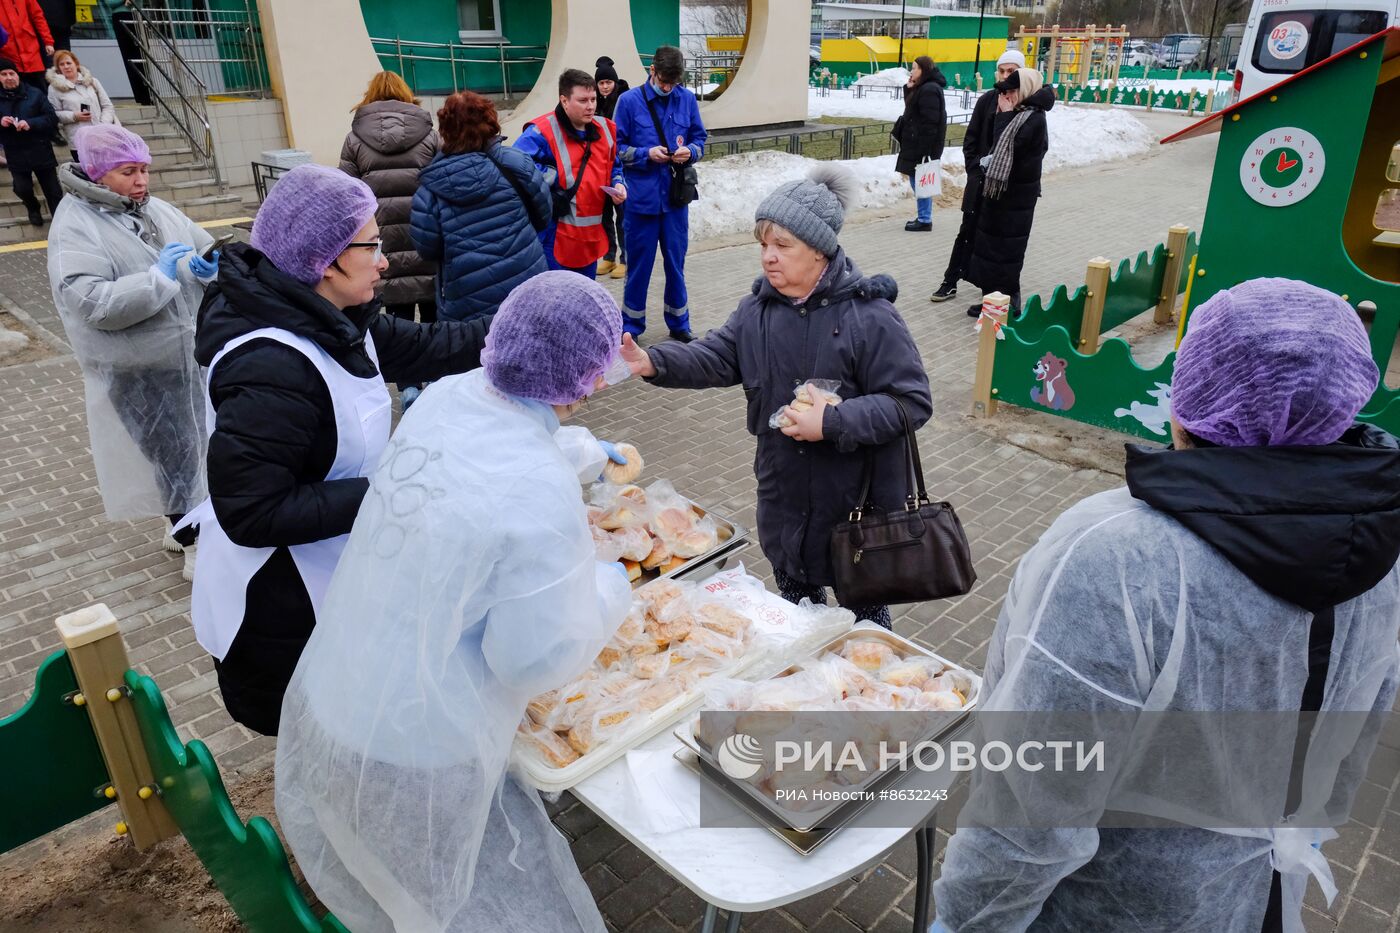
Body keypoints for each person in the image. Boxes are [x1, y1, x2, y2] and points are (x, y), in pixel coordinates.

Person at [931, 279, 1400, 933]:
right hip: (1258, 897)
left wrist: (962, 923)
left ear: (1190, 401)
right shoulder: (1384, 542)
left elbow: (1032, 806)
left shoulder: (1121, 555)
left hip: (1107, 909)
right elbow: (1354, 736)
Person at [275, 272, 633, 933]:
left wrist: (580, 453)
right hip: (417, 745)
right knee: (463, 904)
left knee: (387, 891)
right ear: (587, 381)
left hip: (339, 691)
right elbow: (531, 656)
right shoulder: (538, 492)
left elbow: (490, 452)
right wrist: (609, 587)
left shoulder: (445, 397)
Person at [186, 164, 495, 736]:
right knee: (317, 738)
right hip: (282, 607)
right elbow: (252, 511)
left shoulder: (337, 319)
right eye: (372, 246)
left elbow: (434, 346)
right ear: (323, 259)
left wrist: (529, 329)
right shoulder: (271, 366)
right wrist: (391, 489)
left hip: (337, 573)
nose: (385, 260)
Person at [619, 165, 932, 627]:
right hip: (783, 500)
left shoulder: (871, 317)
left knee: (862, 630)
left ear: (820, 252)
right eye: (764, 244)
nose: (768, 257)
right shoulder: (757, 310)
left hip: (854, 512)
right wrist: (654, 362)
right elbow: (718, 355)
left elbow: (912, 403)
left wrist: (833, 422)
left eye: (783, 245)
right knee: (796, 618)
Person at [46, 124, 214, 572]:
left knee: (194, 449)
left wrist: (206, 265)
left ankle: (185, 526)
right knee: (171, 453)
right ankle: (194, 547)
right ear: (98, 174)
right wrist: (158, 279)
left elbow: (200, 244)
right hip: (137, 365)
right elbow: (90, 301)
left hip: (185, 356)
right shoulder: (76, 225)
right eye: (128, 171)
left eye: (144, 169)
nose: (141, 180)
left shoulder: (152, 209)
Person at [411, 90, 551, 324]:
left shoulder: (430, 188)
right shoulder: (516, 163)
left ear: (445, 129)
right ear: (490, 121)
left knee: (477, 358)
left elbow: (427, 249)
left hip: (467, 300)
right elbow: (544, 213)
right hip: (527, 283)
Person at [613, 44, 707, 342]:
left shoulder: (686, 100)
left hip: (675, 201)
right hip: (641, 201)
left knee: (675, 266)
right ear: (652, 71)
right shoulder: (628, 102)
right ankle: (631, 325)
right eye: (664, 81)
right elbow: (615, 148)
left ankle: (680, 323)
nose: (668, 87)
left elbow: (700, 138)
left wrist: (689, 151)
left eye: (673, 83)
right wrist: (644, 154)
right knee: (638, 267)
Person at [339, 71, 438, 328]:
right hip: (426, 232)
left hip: (384, 238)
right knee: (434, 319)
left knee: (397, 314)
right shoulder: (430, 135)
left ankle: (404, 366)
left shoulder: (354, 139)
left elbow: (348, 195)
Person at [929, 48, 1025, 304]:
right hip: (979, 183)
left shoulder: (1026, 104)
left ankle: (1003, 295)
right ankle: (950, 280)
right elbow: (970, 140)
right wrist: (975, 167)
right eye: (1002, 71)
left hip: (1006, 191)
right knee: (966, 233)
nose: (1006, 76)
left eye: (1012, 71)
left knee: (999, 243)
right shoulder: (987, 101)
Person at [513, 68, 626, 279]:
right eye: (583, 100)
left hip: (589, 239)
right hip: (555, 237)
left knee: (583, 303)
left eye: (593, 99)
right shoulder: (542, 130)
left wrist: (618, 183)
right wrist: (553, 178)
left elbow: (615, 165)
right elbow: (516, 165)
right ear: (564, 101)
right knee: (556, 305)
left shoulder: (606, 128)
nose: (591, 106)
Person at [961, 66, 1052, 319]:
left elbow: (1015, 156)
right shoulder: (1021, 114)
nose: (1007, 96)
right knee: (991, 253)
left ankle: (1007, 306)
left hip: (1015, 203)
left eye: (1011, 91)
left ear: (1023, 90)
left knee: (1005, 257)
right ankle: (991, 302)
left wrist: (1004, 117)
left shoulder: (1032, 118)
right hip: (999, 198)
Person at [0, 56, 59, 225]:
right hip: (15, 151)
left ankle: (60, 224)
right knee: (23, 188)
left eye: (11, 73)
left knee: (53, 191)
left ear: (18, 75)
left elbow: (51, 118)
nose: (9, 77)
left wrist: (30, 123)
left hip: (40, 148)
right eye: (4, 74)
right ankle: (32, 206)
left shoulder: (35, 93)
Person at [894, 54, 946, 233]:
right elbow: (913, 109)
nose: (911, 70)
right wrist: (909, 89)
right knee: (918, 181)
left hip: (922, 146)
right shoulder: (923, 87)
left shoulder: (929, 89)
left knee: (920, 182)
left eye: (915, 67)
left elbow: (930, 122)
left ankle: (925, 219)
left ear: (923, 70)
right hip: (918, 143)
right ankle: (924, 216)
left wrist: (925, 150)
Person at [594, 55, 630, 279]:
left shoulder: (624, 101)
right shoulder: (593, 103)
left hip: (622, 167)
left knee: (623, 216)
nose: (605, 87)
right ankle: (608, 256)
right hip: (600, 167)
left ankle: (626, 258)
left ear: (615, 82)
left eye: (608, 82)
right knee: (603, 215)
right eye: (601, 83)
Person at [46, 49, 118, 161]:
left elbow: (107, 106)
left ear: (76, 64)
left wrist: (103, 124)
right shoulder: (54, 88)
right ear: (58, 68)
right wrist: (74, 116)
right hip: (79, 140)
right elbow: (54, 114)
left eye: (69, 63)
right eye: (62, 64)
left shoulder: (92, 81)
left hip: (102, 137)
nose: (66, 66)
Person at [0, 0, 53, 91]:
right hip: (7, 54)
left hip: (31, 52)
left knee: (39, 92)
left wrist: (48, 41)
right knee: (10, 94)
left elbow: (38, 17)